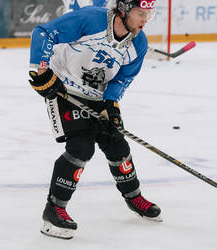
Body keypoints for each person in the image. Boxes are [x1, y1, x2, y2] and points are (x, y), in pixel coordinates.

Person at [28, 0, 161, 240]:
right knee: (81, 146)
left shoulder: (138, 43)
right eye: (141, 14)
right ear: (124, 10)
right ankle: (53, 211)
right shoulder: (91, 20)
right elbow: (44, 33)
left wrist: (112, 106)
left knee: (117, 144)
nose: (145, 20)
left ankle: (134, 197)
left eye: (149, 15)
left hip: (97, 94)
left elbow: (120, 80)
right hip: (63, 88)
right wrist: (41, 71)